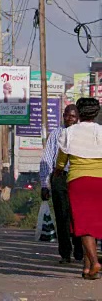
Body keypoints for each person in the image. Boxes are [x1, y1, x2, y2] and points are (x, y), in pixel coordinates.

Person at [54, 98, 102, 280]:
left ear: (79, 114)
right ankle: (87, 269)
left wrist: (58, 171)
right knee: (93, 222)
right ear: (96, 113)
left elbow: (61, 159)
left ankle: (94, 261)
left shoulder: (70, 133)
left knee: (82, 224)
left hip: (78, 182)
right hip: (100, 181)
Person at [39, 104, 83, 264]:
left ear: (78, 118)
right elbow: (47, 160)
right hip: (59, 177)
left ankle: (80, 248)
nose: (69, 119)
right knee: (61, 216)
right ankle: (65, 253)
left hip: (78, 177)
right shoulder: (56, 134)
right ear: (63, 116)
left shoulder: (81, 134)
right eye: (67, 115)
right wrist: (45, 184)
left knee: (77, 215)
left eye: (73, 116)